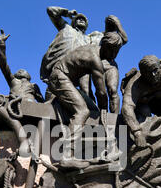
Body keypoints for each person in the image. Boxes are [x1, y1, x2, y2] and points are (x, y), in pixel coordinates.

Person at [48, 28, 124, 168]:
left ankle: (100, 149)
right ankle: (67, 155)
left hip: (65, 79)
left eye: (117, 51)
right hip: (59, 77)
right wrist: (105, 114)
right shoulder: (94, 59)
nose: (114, 55)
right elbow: (101, 93)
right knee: (82, 111)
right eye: (113, 51)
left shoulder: (92, 49)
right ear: (107, 47)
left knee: (91, 109)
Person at [0, 29, 44, 103]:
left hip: (32, 108)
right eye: (19, 71)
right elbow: (3, 64)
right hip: (14, 105)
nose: (20, 70)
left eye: (23, 71)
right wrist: (2, 44)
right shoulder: (13, 80)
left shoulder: (34, 85)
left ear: (29, 76)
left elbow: (42, 102)